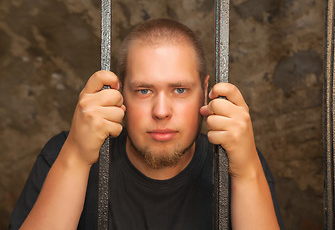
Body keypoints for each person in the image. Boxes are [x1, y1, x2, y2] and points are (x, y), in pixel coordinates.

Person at [10, 18, 284, 229]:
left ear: (205, 90)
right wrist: (76, 157)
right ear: (119, 93)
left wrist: (247, 172)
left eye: (179, 90)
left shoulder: (236, 161)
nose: (161, 111)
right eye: (144, 90)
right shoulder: (62, 153)